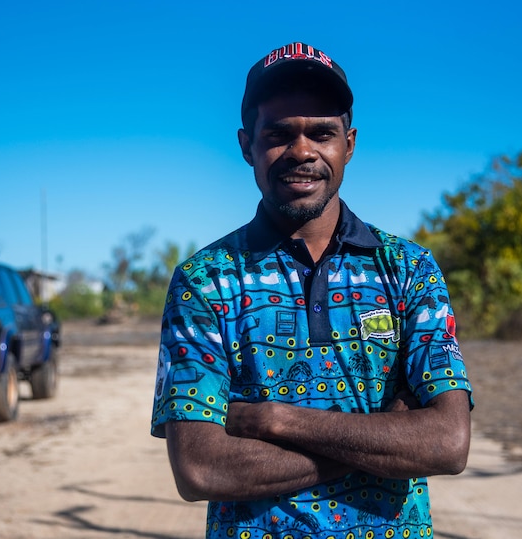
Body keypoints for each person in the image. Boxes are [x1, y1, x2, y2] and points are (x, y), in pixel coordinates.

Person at [151, 42, 473, 539]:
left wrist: (276, 420)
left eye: (321, 133)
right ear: (246, 146)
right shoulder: (206, 280)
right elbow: (202, 469)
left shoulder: (409, 270)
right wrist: (384, 440)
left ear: (349, 143)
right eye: (279, 134)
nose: (302, 151)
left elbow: (447, 444)